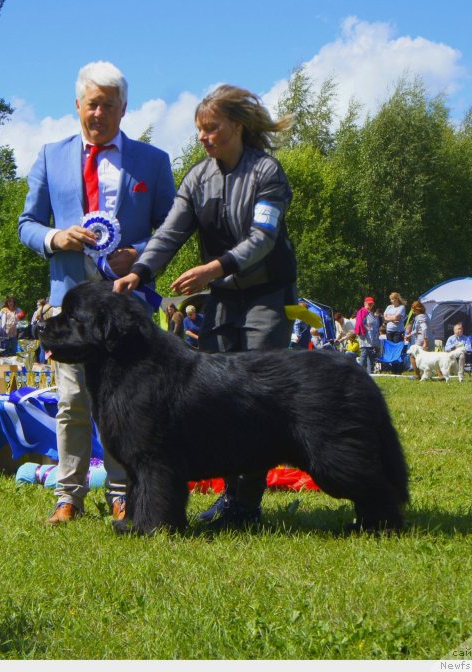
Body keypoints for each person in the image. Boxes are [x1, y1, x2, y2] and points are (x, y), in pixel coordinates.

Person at [114, 83, 296, 529]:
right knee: (218, 399)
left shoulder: (267, 173)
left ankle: (247, 506)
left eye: (211, 128)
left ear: (236, 126)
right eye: (199, 130)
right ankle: (233, 499)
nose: (203, 137)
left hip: (266, 297)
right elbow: (170, 233)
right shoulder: (198, 178)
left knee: (259, 397)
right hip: (221, 300)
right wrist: (140, 270)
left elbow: (263, 239)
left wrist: (214, 268)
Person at [18, 60, 176, 525]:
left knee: (129, 403)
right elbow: (26, 224)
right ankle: (68, 495)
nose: (99, 113)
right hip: (70, 304)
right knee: (71, 403)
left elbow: (170, 228)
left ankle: (123, 492)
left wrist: (140, 255)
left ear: (123, 109)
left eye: (109, 105)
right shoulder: (50, 155)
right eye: (92, 104)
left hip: (127, 305)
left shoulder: (153, 161)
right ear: (77, 106)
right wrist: (55, 238)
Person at [382, 292, 407, 373]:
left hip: (398, 331)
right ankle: (393, 368)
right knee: (390, 349)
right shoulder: (389, 307)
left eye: (392, 299)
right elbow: (384, 317)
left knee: (397, 349)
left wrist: (390, 318)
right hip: (389, 331)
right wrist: (393, 319)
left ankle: (398, 369)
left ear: (397, 299)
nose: (391, 301)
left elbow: (397, 317)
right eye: (391, 299)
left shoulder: (401, 307)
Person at [354, 296, 379, 373]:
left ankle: (369, 372)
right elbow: (359, 323)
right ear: (365, 303)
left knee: (370, 355)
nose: (370, 306)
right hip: (365, 337)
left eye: (371, 304)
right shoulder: (362, 312)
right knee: (364, 354)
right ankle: (359, 372)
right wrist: (365, 329)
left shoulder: (370, 313)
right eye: (369, 304)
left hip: (371, 338)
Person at [406, 299, 429, 379]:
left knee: (412, 355)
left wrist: (425, 342)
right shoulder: (425, 315)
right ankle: (440, 376)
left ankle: (417, 375)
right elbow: (418, 328)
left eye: (413, 309)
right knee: (430, 358)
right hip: (429, 338)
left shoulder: (419, 317)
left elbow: (424, 328)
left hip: (422, 340)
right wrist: (410, 335)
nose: (412, 311)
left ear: (417, 309)